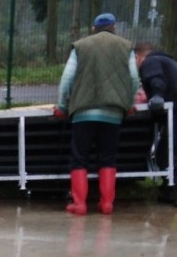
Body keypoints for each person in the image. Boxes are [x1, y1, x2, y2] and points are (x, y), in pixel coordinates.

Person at [55, 12, 139, 215]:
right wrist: (129, 103)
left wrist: (62, 106)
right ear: (114, 27)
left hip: (83, 112)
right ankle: (107, 203)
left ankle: (80, 204)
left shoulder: (81, 46)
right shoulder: (126, 46)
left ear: (94, 28)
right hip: (113, 113)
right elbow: (134, 78)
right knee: (108, 158)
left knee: (79, 158)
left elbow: (67, 79)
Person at [135, 41, 177, 204]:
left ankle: (171, 190)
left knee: (168, 153)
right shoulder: (169, 62)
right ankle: (169, 188)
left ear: (138, 56)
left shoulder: (151, 62)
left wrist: (157, 96)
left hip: (174, 111)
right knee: (166, 151)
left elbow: (156, 79)